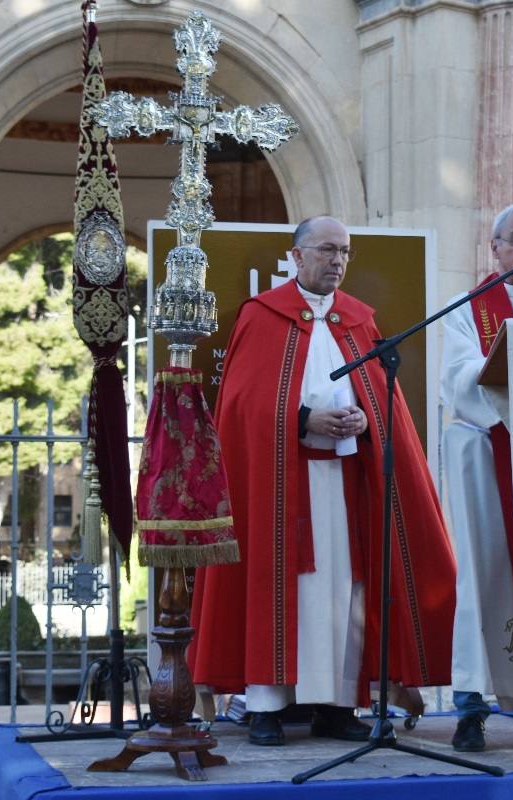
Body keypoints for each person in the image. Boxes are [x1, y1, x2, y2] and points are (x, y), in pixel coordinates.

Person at [189, 216, 456, 746]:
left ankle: (337, 706)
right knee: (276, 583)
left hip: (344, 481)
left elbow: (383, 400)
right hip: (280, 482)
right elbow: (240, 405)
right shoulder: (261, 314)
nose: (337, 261)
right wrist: (304, 418)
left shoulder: (358, 320)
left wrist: (365, 418)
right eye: (327, 250)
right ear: (296, 255)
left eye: (345, 252)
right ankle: (265, 706)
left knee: (345, 590)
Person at [440, 203, 513, 752]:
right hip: (484, 453)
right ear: (495, 247)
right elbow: (459, 378)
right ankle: (471, 708)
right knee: (481, 576)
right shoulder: (468, 309)